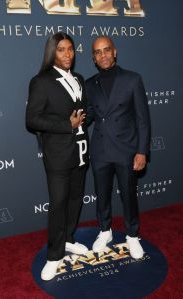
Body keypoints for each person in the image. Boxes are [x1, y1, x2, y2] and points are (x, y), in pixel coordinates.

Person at [26, 32, 89, 281]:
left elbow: (83, 112)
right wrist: (67, 124)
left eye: (71, 49)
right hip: (58, 155)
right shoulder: (41, 81)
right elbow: (32, 119)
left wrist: (85, 118)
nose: (67, 54)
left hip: (81, 151)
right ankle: (54, 255)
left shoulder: (80, 78)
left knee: (75, 200)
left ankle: (69, 240)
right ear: (52, 52)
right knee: (59, 204)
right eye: (61, 49)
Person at [85, 36, 150, 259]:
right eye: (97, 52)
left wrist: (142, 151)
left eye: (106, 50)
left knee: (129, 195)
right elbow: (91, 114)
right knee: (102, 194)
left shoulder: (132, 79)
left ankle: (132, 235)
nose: (102, 55)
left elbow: (143, 119)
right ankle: (105, 230)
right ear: (93, 57)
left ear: (115, 52)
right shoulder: (89, 84)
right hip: (100, 150)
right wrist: (72, 121)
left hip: (126, 149)